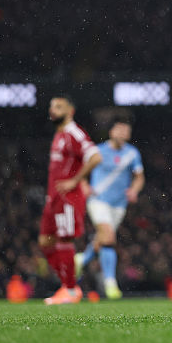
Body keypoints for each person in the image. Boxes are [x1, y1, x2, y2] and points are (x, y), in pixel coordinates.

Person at [39, 95, 101, 305]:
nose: (53, 110)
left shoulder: (74, 132)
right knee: (45, 241)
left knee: (64, 240)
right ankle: (69, 284)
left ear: (70, 111)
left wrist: (75, 180)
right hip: (53, 198)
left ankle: (70, 289)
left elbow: (95, 156)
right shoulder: (59, 135)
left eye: (59, 107)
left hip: (67, 198)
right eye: (51, 106)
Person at [74, 117, 144, 300]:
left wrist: (134, 190)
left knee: (102, 239)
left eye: (126, 131)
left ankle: (81, 259)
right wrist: (84, 186)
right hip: (98, 201)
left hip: (119, 205)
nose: (123, 134)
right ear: (111, 132)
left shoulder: (132, 154)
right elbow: (81, 172)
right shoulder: (98, 151)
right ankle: (110, 282)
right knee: (108, 236)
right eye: (120, 130)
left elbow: (139, 177)